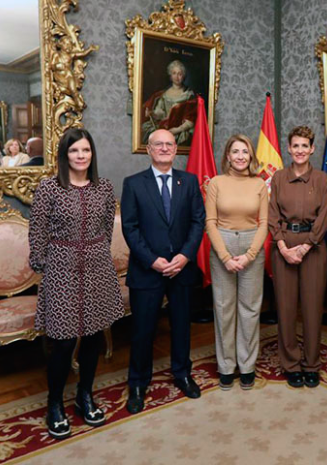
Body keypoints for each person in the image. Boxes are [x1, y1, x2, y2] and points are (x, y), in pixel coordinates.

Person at [28, 128, 125, 440]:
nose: (81, 156)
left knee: (95, 337)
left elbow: (108, 226)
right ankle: (54, 404)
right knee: (65, 341)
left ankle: (85, 396)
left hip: (97, 268)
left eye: (85, 150)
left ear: (92, 154)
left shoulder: (104, 187)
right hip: (61, 268)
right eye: (74, 151)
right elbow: (38, 230)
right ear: (64, 155)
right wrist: (45, 263)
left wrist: (96, 251)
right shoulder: (49, 188)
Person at [121, 128, 205, 414]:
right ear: (149, 149)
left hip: (182, 269)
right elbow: (129, 228)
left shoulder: (189, 181)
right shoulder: (133, 184)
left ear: (175, 149)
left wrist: (184, 256)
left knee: (181, 326)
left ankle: (182, 373)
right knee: (143, 330)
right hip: (147, 269)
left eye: (170, 144)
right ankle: (137, 383)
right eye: (159, 144)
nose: (165, 148)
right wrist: (152, 260)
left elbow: (198, 222)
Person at [269, 126, 327, 388]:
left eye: (305, 146)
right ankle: (291, 363)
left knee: (312, 307)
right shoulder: (278, 178)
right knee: (285, 308)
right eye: (295, 146)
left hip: (313, 247)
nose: (300, 150)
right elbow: (272, 214)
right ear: (289, 148)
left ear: (312, 149)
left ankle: (311, 363)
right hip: (283, 244)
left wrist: (305, 247)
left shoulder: (323, 180)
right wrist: (283, 248)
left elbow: (324, 217)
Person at [205, 134, 268, 390]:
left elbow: (264, 223)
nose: (241, 156)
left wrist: (250, 254)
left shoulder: (260, 184)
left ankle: (247, 365)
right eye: (235, 151)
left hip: (252, 246)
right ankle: (227, 366)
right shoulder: (216, 183)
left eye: (245, 151)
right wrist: (225, 256)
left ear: (251, 156)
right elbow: (210, 223)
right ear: (227, 156)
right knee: (224, 308)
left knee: (250, 309)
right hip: (223, 244)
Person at [141, 60, 196, 146]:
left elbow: (191, 119)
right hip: (165, 125)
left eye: (180, 74)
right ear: (170, 75)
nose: (177, 77)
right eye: (174, 73)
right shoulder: (165, 94)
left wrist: (177, 130)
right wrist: (152, 113)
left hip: (181, 128)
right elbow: (160, 113)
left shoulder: (189, 95)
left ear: (183, 76)